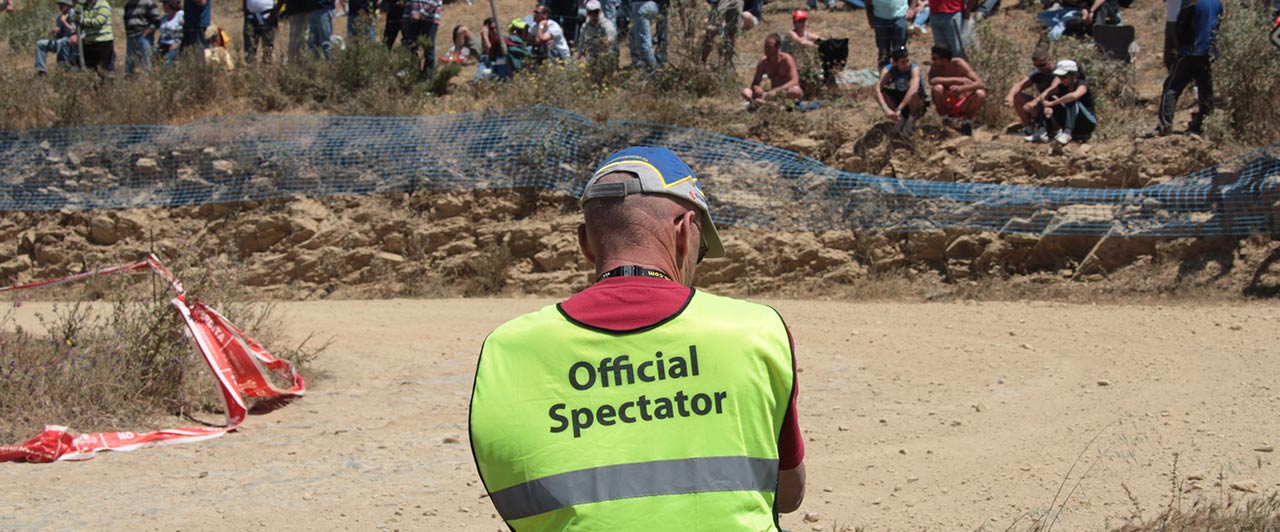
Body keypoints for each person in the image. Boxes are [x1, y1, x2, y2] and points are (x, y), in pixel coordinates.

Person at [470, 146, 806, 531]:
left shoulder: (506, 350)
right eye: (701, 249)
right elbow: (789, 492)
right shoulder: (755, 330)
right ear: (683, 231)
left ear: (584, 243)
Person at [1150, 0, 1221, 137]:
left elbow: (1181, 25)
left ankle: (1164, 126)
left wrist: (1179, 46)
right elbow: (1218, 25)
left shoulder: (1191, 2)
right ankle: (1206, 125)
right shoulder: (1217, 3)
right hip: (1208, 52)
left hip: (1190, 51)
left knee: (1171, 87)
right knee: (1205, 89)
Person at [927, 44, 985, 135]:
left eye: (935, 58)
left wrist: (962, 88)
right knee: (937, 89)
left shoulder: (959, 64)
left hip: (962, 101)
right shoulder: (935, 66)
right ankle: (946, 118)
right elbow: (932, 80)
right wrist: (958, 80)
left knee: (980, 94)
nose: (932, 60)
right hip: (947, 101)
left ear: (944, 60)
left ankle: (966, 122)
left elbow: (980, 83)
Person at [1003, 49, 1055, 142]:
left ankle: (1050, 130)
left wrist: (1035, 101)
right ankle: (1029, 129)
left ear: (1050, 60)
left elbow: (1052, 89)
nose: (1040, 68)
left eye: (1042, 65)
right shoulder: (1038, 74)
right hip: (1042, 106)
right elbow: (1019, 85)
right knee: (1017, 97)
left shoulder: (1060, 73)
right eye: (1036, 65)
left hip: (1057, 106)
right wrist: (1010, 96)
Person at [1041, 59, 1095, 144]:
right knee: (1052, 98)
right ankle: (1051, 131)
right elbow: (1045, 95)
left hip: (1086, 122)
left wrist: (1054, 103)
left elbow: (1073, 96)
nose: (1061, 80)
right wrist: (1047, 105)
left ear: (1073, 75)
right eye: (1059, 77)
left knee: (1069, 100)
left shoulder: (1082, 85)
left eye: (1063, 77)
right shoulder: (1061, 87)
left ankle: (1067, 132)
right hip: (1072, 121)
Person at [741, 33, 803, 107]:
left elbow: (795, 80)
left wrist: (777, 90)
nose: (766, 50)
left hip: (784, 92)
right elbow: (755, 82)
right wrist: (757, 88)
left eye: (769, 47)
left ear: (778, 47)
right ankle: (760, 103)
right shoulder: (763, 62)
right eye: (765, 46)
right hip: (770, 94)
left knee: (796, 91)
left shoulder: (787, 59)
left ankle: (773, 104)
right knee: (745, 92)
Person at [876, 47, 926, 137]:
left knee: (913, 94)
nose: (907, 64)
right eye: (903, 62)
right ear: (895, 63)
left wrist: (899, 108)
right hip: (900, 97)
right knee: (882, 93)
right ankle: (900, 119)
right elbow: (877, 89)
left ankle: (910, 121)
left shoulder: (914, 69)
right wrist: (886, 109)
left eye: (908, 61)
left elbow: (913, 89)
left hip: (915, 102)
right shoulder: (889, 70)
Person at [35, 0, 78, 76]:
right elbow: (58, 36)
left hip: (72, 42)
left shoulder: (73, 14)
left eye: (62, 5)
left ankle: (64, 69)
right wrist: (55, 32)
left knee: (63, 41)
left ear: (68, 5)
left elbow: (73, 31)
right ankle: (41, 71)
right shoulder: (60, 17)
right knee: (41, 44)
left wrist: (64, 22)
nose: (60, 7)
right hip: (61, 42)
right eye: (59, 5)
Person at [402, 0, 441, 79]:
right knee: (410, 47)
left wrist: (421, 13)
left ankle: (428, 76)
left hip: (429, 19)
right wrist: (407, 16)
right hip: (411, 18)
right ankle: (413, 74)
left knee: (428, 48)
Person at [74, 0, 116, 75]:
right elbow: (76, 18)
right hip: (89, 42)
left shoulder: (103, 4)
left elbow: (98, 22)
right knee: (90, 71)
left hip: (103, 43)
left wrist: (82, 21)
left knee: (103, 71)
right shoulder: (84, 6)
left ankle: (105, 86)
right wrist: (79, 4)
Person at [867, 0, 910, 68]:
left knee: (900, 52)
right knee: (883, 53)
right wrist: (870, 17)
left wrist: (912, 8)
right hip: (880, 18)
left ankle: (900, 76)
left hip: (899, 17)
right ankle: (884, 75)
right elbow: (868, 2)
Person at [123, 0, 161, 75]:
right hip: (131, 37)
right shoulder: (128, 4)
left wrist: (147, 32)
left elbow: (157, 21)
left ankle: (146, 81)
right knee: (130, 62)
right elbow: (126, 20)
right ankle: (130, 81)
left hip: (144, 37)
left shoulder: (149, 3)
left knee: (146, 61)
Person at [699, 0, 741, 69]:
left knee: (731, 33)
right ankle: (702, 62)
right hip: (720, 3)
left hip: (736, 2)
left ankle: (726, 64)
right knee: (711, 32)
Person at [576, 0, 617, 67]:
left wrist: (603, 54)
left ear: (600, 11)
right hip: (591, 55)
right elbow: (581, 43)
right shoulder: (585, 26)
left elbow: (611, 44)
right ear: (587, 13)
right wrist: (581, 56)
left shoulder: (608, 26)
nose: (593, 15)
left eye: (595, 12)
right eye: (590, 12)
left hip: (606, 54)